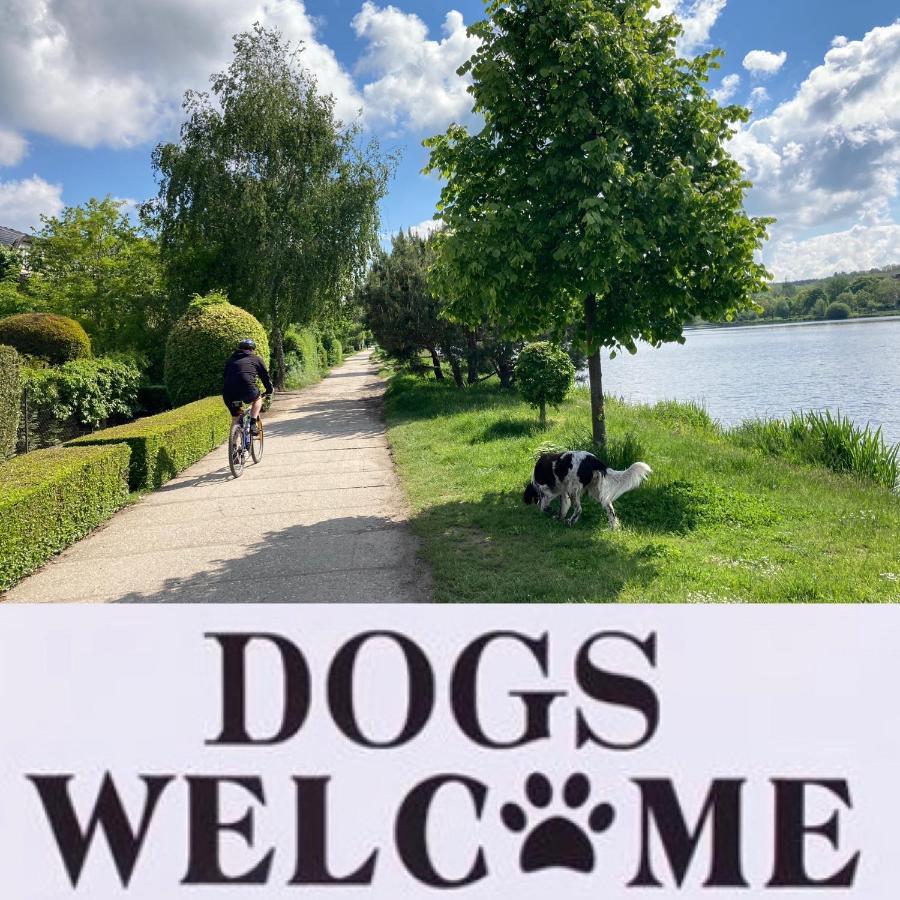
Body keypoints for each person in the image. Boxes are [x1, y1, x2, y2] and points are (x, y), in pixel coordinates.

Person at [222, 339, 273, 435]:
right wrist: (269, 390)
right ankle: (253, 423)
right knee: (257, 399)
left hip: (229, 392)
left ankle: (233, 445)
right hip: (247, 389)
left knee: (236, 418)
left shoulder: (231, 359)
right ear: (253, 350)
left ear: (239, 349)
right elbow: (265, 377)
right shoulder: (256, 359)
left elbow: (225, 376)